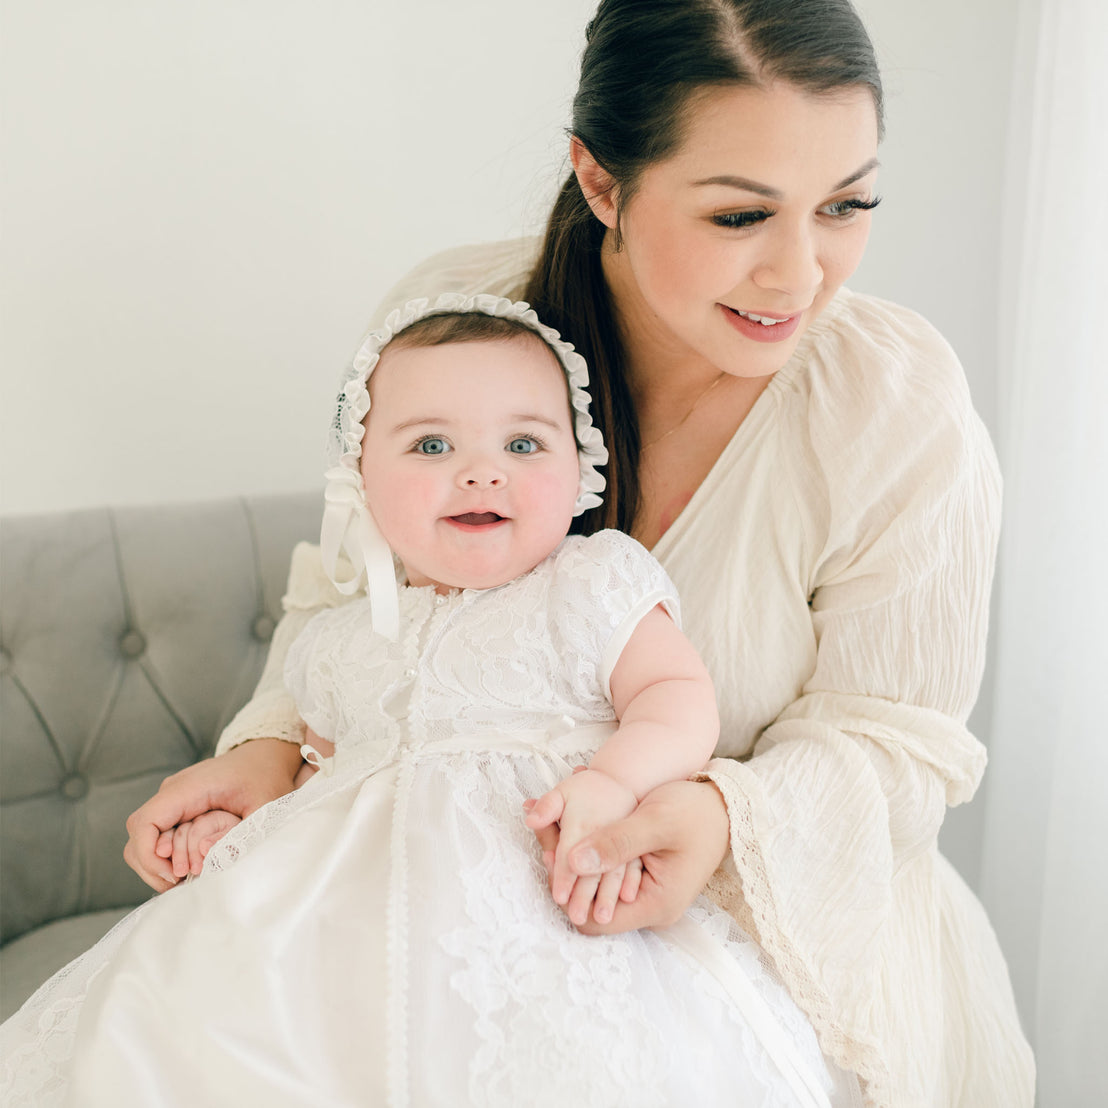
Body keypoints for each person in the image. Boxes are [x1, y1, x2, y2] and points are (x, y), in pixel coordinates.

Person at [115, 0, 1035, 1103]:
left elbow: (895, 746)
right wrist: (266, 752)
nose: (801, 276)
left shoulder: (892, 401)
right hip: (447, 945)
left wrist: (715, 820)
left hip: (763, 964)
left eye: (846, 205)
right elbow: (357, 599)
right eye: (742, 216)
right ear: (601, 183)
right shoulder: (453, 319)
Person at [0, 296, 861, 1108]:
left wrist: (613, 782)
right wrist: (233, 833)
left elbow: (676, 700)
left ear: (580, 467)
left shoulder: (590, 584)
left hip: (537, 884)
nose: (483, 473)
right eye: (432, 447)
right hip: (340, 918)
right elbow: (314, 777)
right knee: (198, 1011)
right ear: (361, 478)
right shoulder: (339, 638)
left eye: (525, 445)